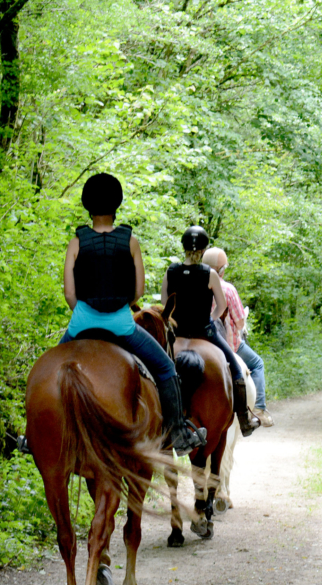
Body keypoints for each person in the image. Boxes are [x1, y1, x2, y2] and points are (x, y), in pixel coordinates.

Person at [60, 173, 205, 455]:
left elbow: (69, 294)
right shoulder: (130, 242)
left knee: (46, 370)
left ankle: (33, 436)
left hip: (81, 323)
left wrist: (84, 315)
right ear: (117, 206)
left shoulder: (76, 243)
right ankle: (178, 433)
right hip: (122, 325)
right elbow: (137, 292)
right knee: (166, 369)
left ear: (87, 207)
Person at [160, 226, 260, 437]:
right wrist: (210, 320)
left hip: (176, 334)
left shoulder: (170, 272)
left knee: (154, 367)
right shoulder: (209, 273)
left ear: (183, 247)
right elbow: (221, 306)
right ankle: (244, 418)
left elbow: (164, 305)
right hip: (204, 332)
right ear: (204, 249)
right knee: (235, 368)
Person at [201, 247, 273, 427]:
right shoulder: (228, 289)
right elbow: (240, 323)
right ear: (222, 269)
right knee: (257, 364)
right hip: (228, 344)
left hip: (199, 340)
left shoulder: (194, 284)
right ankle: (258, 409)